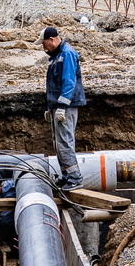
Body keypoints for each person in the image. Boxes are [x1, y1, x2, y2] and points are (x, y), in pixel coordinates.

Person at [34, 26, 86, 191]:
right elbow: (53, 85)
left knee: (65, 142)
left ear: (51, 40)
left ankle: (75, 178)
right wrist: (51, 107)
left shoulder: (67, 54)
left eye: (44, 44)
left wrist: (62, 106)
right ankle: (66, 176)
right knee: (58, 143)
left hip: (66, 107)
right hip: (58, 106)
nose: (44, 48)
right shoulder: (56, 56)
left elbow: (69, 82)